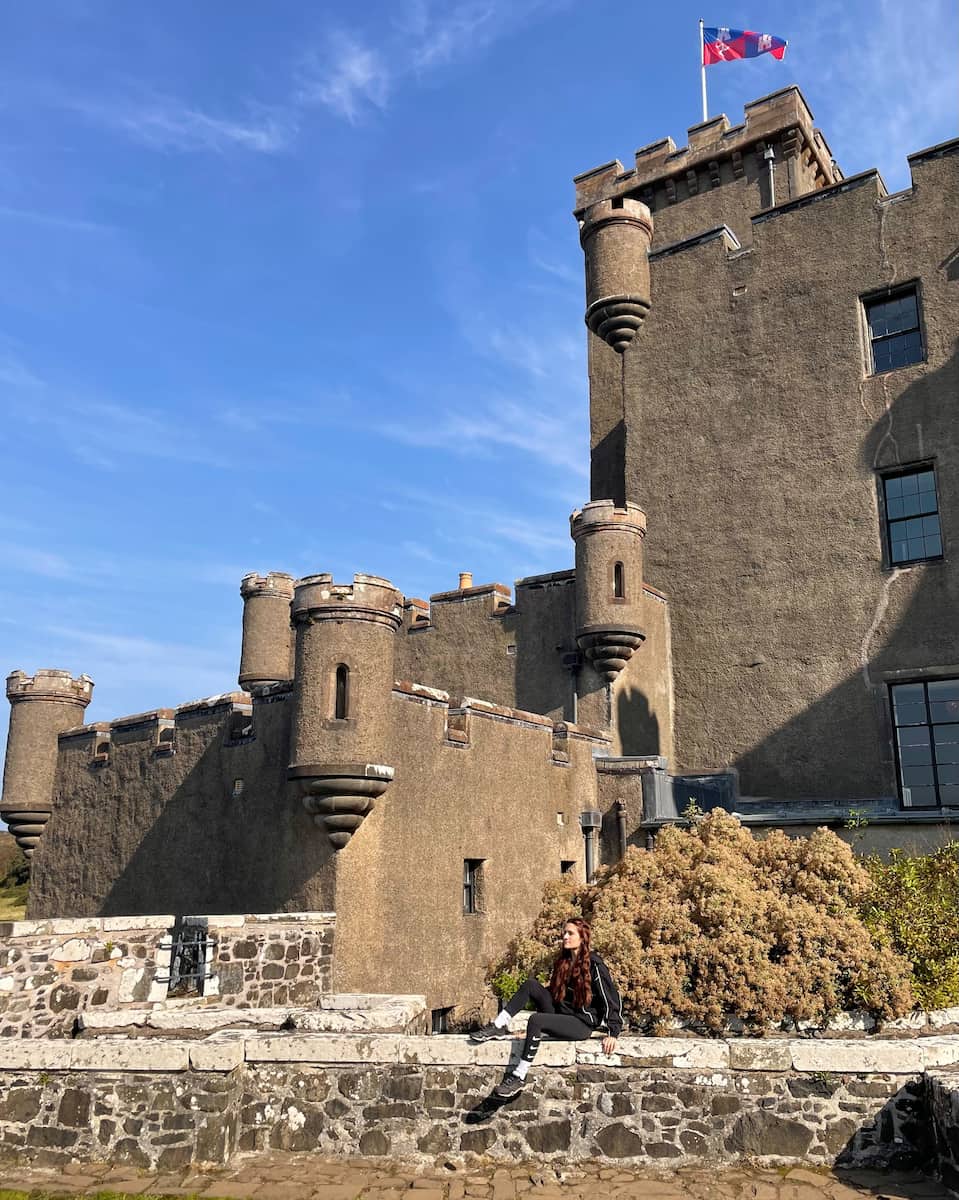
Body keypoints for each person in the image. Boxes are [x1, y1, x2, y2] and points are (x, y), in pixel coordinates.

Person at [470, 917, 623, 1098]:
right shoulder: (563, 962)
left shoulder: (595, 965)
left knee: (536, 1020)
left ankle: (519, 1076)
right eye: (564, 933)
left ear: (582, 937)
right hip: (562, 1013)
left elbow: (610, 997)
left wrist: (613, 1032)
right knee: (530, 985)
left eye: (570, 933)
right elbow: (555, 992)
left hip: (580, 1024)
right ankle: (497, 1026)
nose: (565, 937)